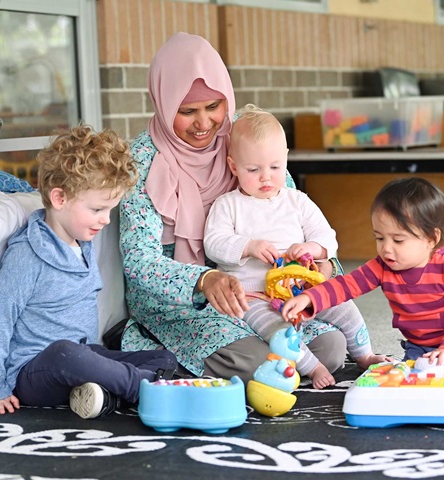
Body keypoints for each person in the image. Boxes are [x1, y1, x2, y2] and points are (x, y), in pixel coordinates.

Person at [118, 32, 365, 386]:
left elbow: (293, 211)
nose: (204, 124)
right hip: (180, 302)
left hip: (267, 292)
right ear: (163, 101)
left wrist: (321, 264)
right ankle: (152, 347)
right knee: (259, 362)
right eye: (187, 112)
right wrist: (203, 279)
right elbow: (138, 261)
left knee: (331, 346)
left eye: (213, 107)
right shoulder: (140, 162)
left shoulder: (244, 138)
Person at [0, 125, 178, 420]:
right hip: (36, 372)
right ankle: (144, 388)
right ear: (59, 199)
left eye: (109, 210)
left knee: (164, 357)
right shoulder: (27, 254)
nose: (106, 220)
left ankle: (108, 397)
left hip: (85, 360)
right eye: (97, 209)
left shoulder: (83, 243)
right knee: (67, 353)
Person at [204, 105, 390, 388]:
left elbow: (327, 237)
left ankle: (364, 355)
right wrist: (249, 246)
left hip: (303, 290)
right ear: (233, 166)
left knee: (344, 305)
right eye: (253, 170)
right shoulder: (228, 205)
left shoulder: (297, 201)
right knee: (276, 331)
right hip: (254, 297)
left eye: (275, 167)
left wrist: (311, 249)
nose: (266, 177)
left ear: (286, 160)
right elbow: (213, 244)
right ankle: (312, 368)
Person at [281, 177, 444, 366]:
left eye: (398, 240)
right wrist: (309, 297)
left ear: (432, 238)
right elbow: (345, 286)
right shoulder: (382, 266)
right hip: (422, 347)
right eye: (379, 238)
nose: (386, 248)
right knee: (410, 385)